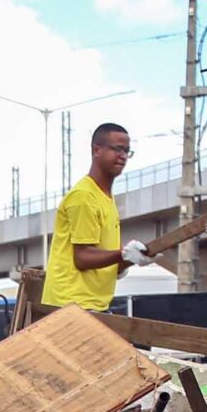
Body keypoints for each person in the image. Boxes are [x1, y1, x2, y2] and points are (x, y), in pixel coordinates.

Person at [42, 121, 144, 313]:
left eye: (127, 151)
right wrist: (122, 254)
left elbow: (104, 257)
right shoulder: (85, 196)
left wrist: (132, 258)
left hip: (91, 305)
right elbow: (83, 257)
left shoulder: (105, 197)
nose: (123, 156)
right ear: (96, 150)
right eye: (117, 149)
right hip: (72, 306)